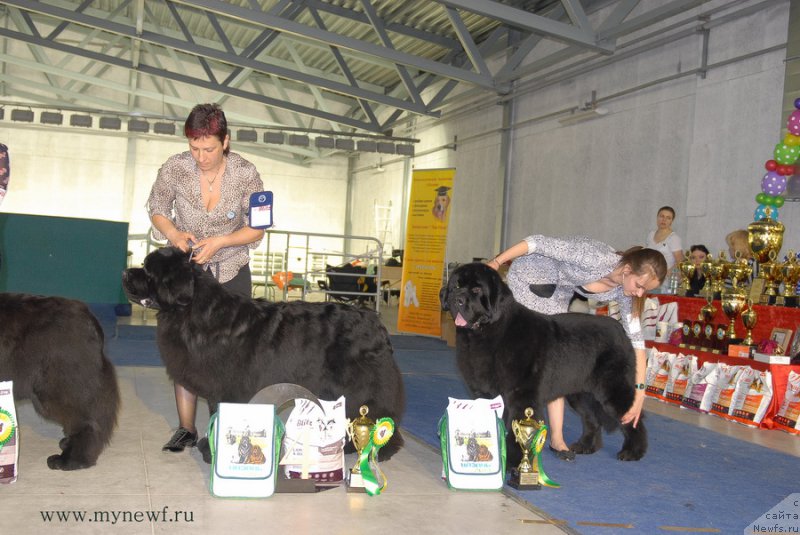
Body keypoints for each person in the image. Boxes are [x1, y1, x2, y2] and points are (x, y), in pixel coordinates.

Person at [147, 103, 265, 452]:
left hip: (230, 272)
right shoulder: (174, 167)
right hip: (185, 277)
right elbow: (156, 207)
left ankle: (225, 430)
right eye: (194, 147)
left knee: (229, 357)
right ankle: (186, 428)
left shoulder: (247, 173)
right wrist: (174, 233)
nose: (200, 156)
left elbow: (257, 228)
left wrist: (222, 241)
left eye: (209, 148)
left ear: (225, 141)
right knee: (184, 351)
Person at [487, 235, 667, 461]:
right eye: (639, 286)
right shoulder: (594, 257)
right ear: (627, 270)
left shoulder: (626, 291)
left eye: (646, 290)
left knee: (555, 365)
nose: (640, 294)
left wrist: (640, 393)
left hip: (559, 288)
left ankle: (557, 438)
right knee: (532, 364)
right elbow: (536, 242)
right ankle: (516, 431)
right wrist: (496, 262)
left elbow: (637, 341)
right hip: (532, 276)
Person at [646, 206, 682, 293]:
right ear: (657, 217)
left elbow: (680, 262)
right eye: (661, 216)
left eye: (668, 218)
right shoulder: (651, 234)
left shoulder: (674, 238)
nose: (664, 220)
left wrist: (665, 274)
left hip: (665, 281)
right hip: (648, 279)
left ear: (671, 221)